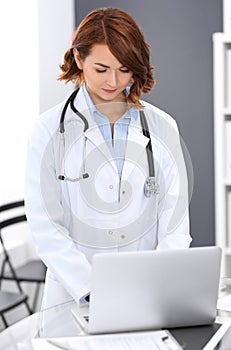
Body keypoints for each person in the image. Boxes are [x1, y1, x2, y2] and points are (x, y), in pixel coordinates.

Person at [25, 7, 192, 310]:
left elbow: (175, 224)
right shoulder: (48, 131)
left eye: (124, 69)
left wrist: (163, 285)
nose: (113, 81)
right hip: (74, 298)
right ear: (78, 58)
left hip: (147, 296)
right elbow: (46, 227)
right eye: (101, 69)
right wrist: (92, 291)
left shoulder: (162, 127)